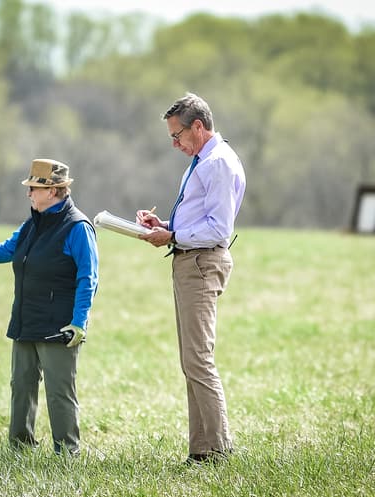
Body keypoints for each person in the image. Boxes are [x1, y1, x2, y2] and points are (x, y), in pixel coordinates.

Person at [0, 158, 99, 456]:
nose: (28, 193)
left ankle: (67, 454)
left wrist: (79, 323)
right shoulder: (32, 224)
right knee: (21, 386)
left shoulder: (78, 227)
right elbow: (4, 250)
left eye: (33, 188)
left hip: (60, 327)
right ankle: (19, 449)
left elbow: (89, 277)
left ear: (52, 191)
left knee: (59, 394)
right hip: (25, 321)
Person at [136, 93, 246, 464]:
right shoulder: (202, 161)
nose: (175, 143)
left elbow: (218, 228)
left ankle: (219, 449)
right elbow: (200, 220)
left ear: (198, 127)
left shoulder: (218, 163)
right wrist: (165, 225)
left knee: (199, 360)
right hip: (189, 259)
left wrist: (173, 236)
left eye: (177, 135)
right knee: (191, 361)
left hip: (201, 262)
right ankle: (201, 450)